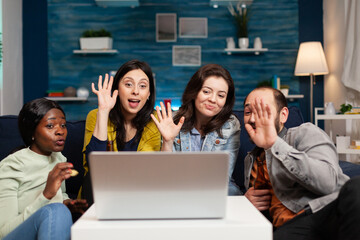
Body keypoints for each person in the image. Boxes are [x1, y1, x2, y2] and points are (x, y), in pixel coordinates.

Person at [243, 86, 360, 239]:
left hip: (328, 212)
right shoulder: (250, 161)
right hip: (291, 229)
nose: (253, 119)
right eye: (248, 112)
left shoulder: (305, 133)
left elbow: (328, 182)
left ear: (283, 115)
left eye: (262, 112)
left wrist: (274, 144)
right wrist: (245, 204)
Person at [0, 98, 88, 240]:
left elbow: (61, 194)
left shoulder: (59, 158)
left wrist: (66, 203)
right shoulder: (11, 166)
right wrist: (46, 195)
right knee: (57, 210)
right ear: (32, 133)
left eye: (63, 125)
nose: (60, 131)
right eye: (50, 126)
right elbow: (4, 233)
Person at [151, 64, 241, 195]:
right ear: (194, 92)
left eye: (221, 95)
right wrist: (168, 141)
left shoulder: (230, 124)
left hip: (217, 191)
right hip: (177, 191)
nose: (213, 99)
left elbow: (222, 177)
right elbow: (166, 176)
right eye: (206, 91)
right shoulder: (173, 121)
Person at [82, 59, 161, 204]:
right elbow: (95, 165)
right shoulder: (96, 115)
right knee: (92, 178)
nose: (135, 91)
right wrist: (103, 112)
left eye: (142, 86)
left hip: (140, 191)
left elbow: (149, 170)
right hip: (103, 191)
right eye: (128, 84)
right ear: (117, 89)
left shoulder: (154, 119)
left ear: (149, 93)